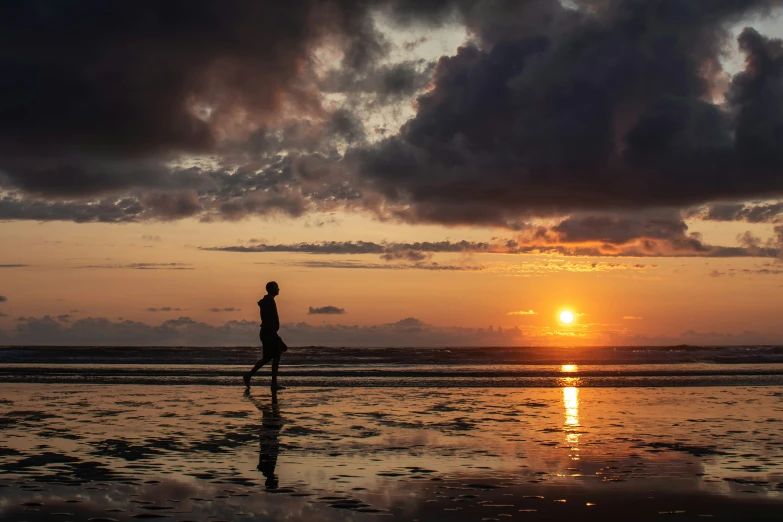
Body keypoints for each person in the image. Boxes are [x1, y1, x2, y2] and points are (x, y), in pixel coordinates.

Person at [244, 281, 288, 391]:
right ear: (272, 289)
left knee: (269, 357)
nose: (279, 289)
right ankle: (273, 384)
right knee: (275, 356)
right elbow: (269, 319)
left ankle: (249, 376)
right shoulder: (269, 300)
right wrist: (275, 335)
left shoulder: (268, 300)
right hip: (269, 332)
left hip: (269, 332)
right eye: (277, 287)